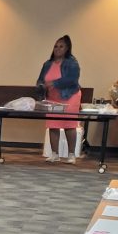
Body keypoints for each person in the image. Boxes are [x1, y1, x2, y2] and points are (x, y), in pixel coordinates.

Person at [36, 35, 82, 164]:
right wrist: (40, 86)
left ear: (67, 49)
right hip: (52, 98)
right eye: (56, 46)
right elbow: (41, 79)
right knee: (53, 124)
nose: (57, 49)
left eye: (61, 46)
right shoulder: (47, 64)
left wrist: (54, 84)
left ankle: (71, 155)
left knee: (69, 125)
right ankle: (54, 154)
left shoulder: (72, 63)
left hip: (69, 96)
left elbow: (72, 80)